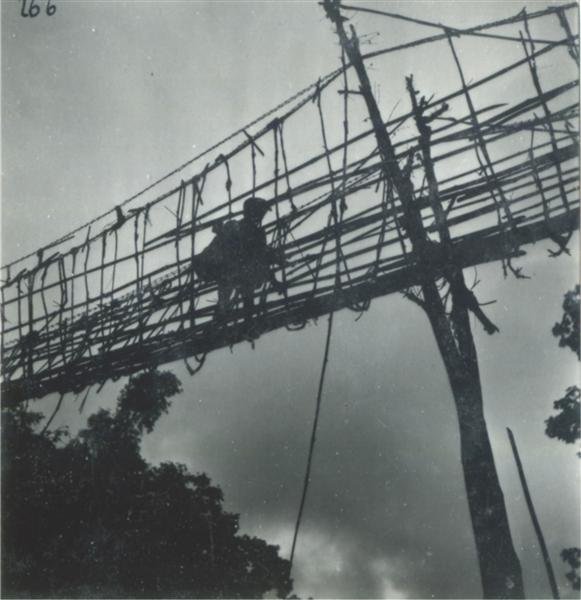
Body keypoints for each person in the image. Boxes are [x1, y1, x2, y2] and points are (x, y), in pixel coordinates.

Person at [194, 197, 285, 332]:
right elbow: (257, 256)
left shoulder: (255, 231)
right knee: (233, 297)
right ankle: (221, 326)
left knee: (242, 296)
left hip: (238, 273)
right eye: (261, 212)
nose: (263, 216)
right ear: (253, 212)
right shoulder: (236, 228)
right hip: (230, 272)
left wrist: (274, 274)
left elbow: (260, 255)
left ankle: (233, 324)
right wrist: (273, 278)